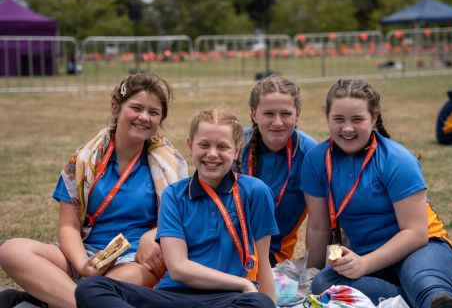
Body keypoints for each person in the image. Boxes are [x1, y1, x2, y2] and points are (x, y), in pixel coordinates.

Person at [0, 72, 188, 308]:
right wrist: (82, 265)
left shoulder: (170, 165)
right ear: (115, 108)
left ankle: (47, 300)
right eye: (137, 108)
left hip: (132, 261)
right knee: (12, 250)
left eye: (153, 112)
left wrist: (156, 233)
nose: (144, 117)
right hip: (85, 253)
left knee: (124, 281)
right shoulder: (83, 160)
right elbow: (69, 226)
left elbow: (181, 220)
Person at [74, 108, 279, 308]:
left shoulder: (256, 191)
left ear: (237, 150)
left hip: (225, 299)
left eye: (223, 147)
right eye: (204, 145)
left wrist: (268, 302)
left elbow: (264, 262)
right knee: (91, 288)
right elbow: (179, 268)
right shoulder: (174, 194)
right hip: (172, 297)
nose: (212, 154)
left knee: (259, 302)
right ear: (190, 147)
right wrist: (243, 283)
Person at [301, 79, 452, 308]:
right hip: (367, 256)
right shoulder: (316, 160)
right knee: (324, 283)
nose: (348, 128)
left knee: (424, 282)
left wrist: (364, 264)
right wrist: (310, 275)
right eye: (339, 119)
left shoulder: (397, 159)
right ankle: (437, 299)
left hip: (422, 247)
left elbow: (415, 233)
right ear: (328, 118)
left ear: (373, 118)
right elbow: (319, 226)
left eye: (358, 119)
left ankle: (434, 293)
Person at [242, 76, 316, 266]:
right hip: (228, 247)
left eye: (285, 114)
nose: (277, 122)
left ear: (297, 114)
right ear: (254, 114)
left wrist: (313, 270)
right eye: (268, 114)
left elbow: (320, 222)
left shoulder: (310, 155)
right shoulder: (234, 146)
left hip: (275, 258)